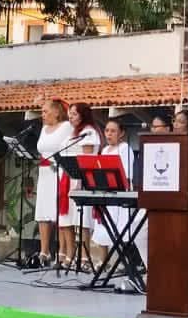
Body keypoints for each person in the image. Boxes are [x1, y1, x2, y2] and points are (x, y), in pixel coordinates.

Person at [55, 101, 100, 271]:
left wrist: (79, 181)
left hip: (82, 181)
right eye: (70, 114)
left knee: (83, 222)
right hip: (68, 179)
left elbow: (87, 159)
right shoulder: (73, 133)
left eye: (74, 114)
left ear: (83, 115)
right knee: (70, 220)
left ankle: (84, 258)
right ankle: (71, 255)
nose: (70, 117)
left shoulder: (89, 133)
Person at [90, 117, 140, 270]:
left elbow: (126, 173)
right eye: (107, 131)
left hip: (119, 193)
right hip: (105, 192)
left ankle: (120, 261)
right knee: (102, 226)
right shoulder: (104, 150)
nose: (109, 134)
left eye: (113, 131)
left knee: (119, 227)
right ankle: (103, 260)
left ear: (121, 133)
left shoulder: (125, 148)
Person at [32, 99, 75, 268]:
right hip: (44, 173)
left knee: (59, 212)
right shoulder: (43, 129)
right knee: (43, 212)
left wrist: (57, 163)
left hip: (59, 172)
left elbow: (69, 149)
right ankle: (44, 251)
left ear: (57, 112)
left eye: (45, 111)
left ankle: (62, 251)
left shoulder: (66, 127)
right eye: (42, 112)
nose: (42, 115)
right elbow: (43, 149)